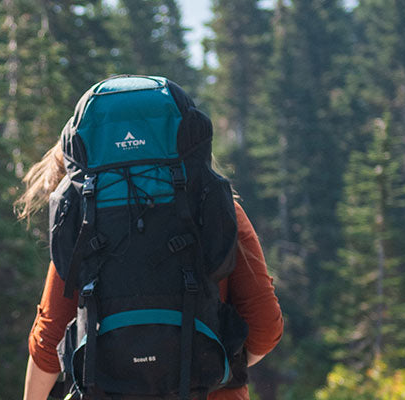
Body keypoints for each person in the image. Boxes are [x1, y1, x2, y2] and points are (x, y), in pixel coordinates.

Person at [16, 76, 283, 400]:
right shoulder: (221, 213)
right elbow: (265, 327)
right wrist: (221, 365)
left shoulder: (86, 220)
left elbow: (48, 345)